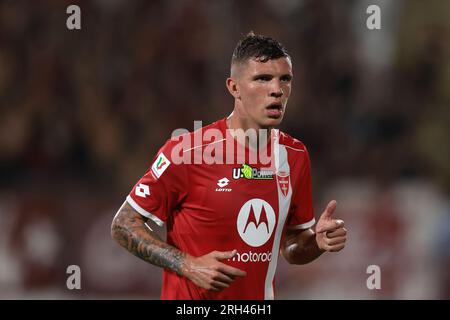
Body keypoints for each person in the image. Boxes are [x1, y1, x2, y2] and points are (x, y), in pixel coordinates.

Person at [111, 32, 347, 300]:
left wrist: (316, 241)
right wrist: (187, 264)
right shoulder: (187, 153)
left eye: (285, 79)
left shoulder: (294, 155)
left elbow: (292, 247)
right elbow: (123, 224)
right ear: (234, 88)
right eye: (262, 78)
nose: (277, 90)